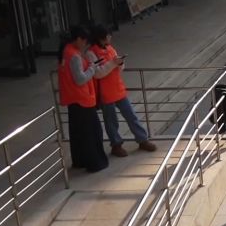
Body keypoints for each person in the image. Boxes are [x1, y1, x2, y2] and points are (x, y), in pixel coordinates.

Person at [57, 25, 123, 173]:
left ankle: (80, 161)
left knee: (78, 134)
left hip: (73, 99)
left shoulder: (66, 52)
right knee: (92, 133)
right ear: (79, 39)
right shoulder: (74, 56)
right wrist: (92, 68)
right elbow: (80, 79)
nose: (85, 45)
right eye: (84, 41)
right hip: (82, 99)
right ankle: (95, 162)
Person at [88, 24, 157, 157]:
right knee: (111, 121)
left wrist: (120, 63)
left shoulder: (110, 48)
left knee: (131, 115)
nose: (110, 38)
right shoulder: (91, 53)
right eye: (108, 36)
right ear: (101, 37)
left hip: (118, 89)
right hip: (105, 93)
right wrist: (113, 63)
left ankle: (142, 139)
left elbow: (119, 68)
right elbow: (97, 73)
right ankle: (116, 144)